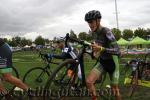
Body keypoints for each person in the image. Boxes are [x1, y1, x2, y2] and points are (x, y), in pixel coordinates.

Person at [84, 10, 121, 100]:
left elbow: (117, 50)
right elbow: (98, 48)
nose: (90, 24)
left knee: (114, 89)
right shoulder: (94, 33)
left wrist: (101, 49)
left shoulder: (106, 31)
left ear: (98, 20)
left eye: (91, 22)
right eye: (88, 22)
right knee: (89, 82)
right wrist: (94, 53)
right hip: (103, 62)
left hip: (113, 63)